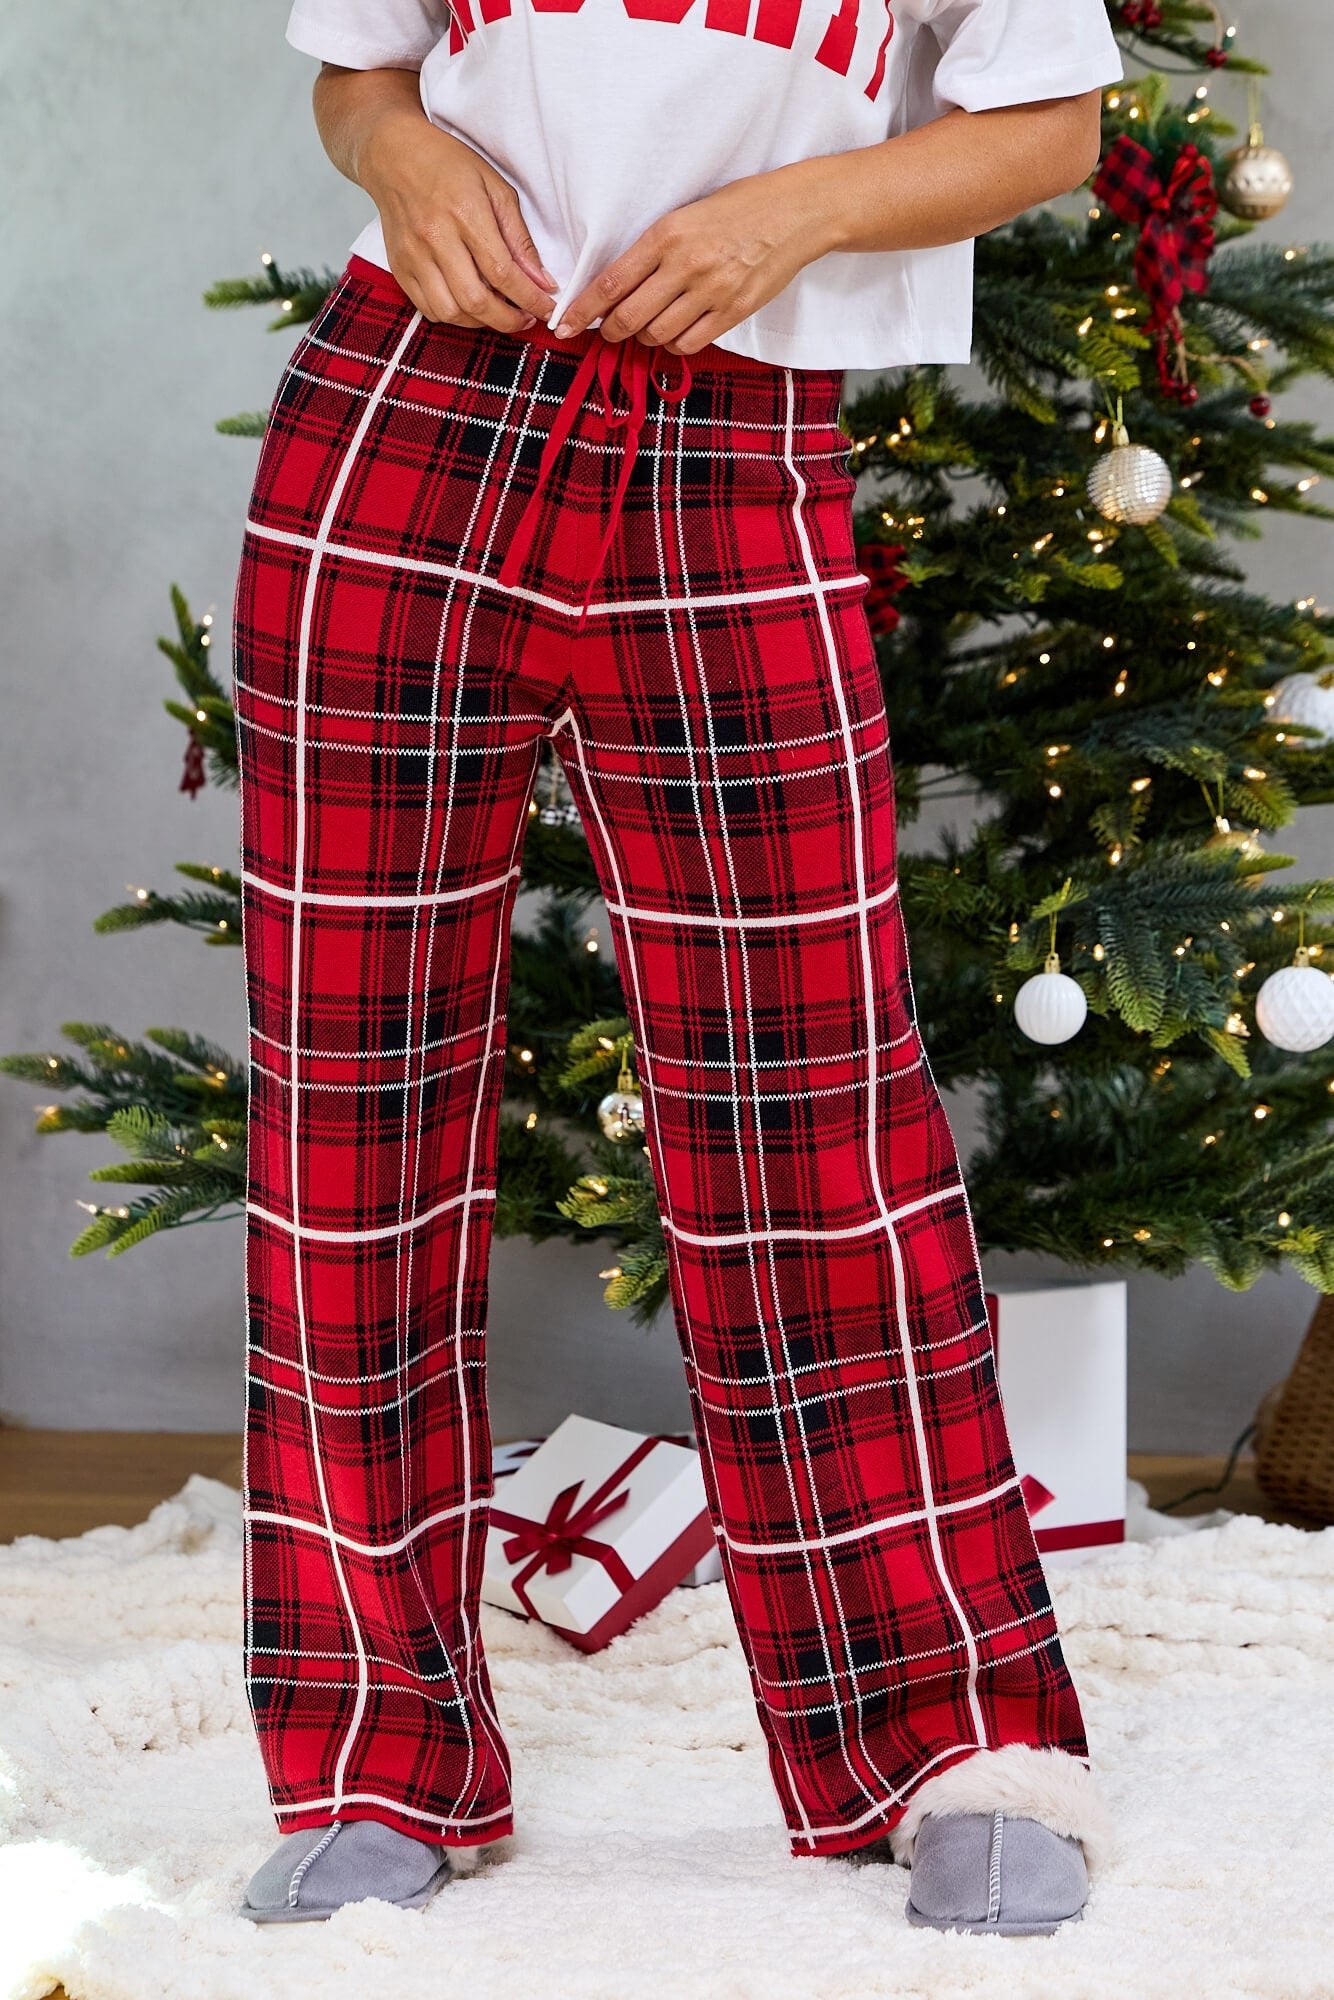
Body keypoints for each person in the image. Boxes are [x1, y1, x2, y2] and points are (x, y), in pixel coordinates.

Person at [234, 0, 1123, 1936]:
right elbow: (358, 71)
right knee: (349, 1120)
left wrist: (787, 218)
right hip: (407, 420)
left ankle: (957, 1734)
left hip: (730, 443)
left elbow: (1049, 118)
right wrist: (401, 157)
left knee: (818, 1115)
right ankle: (379, 1752)